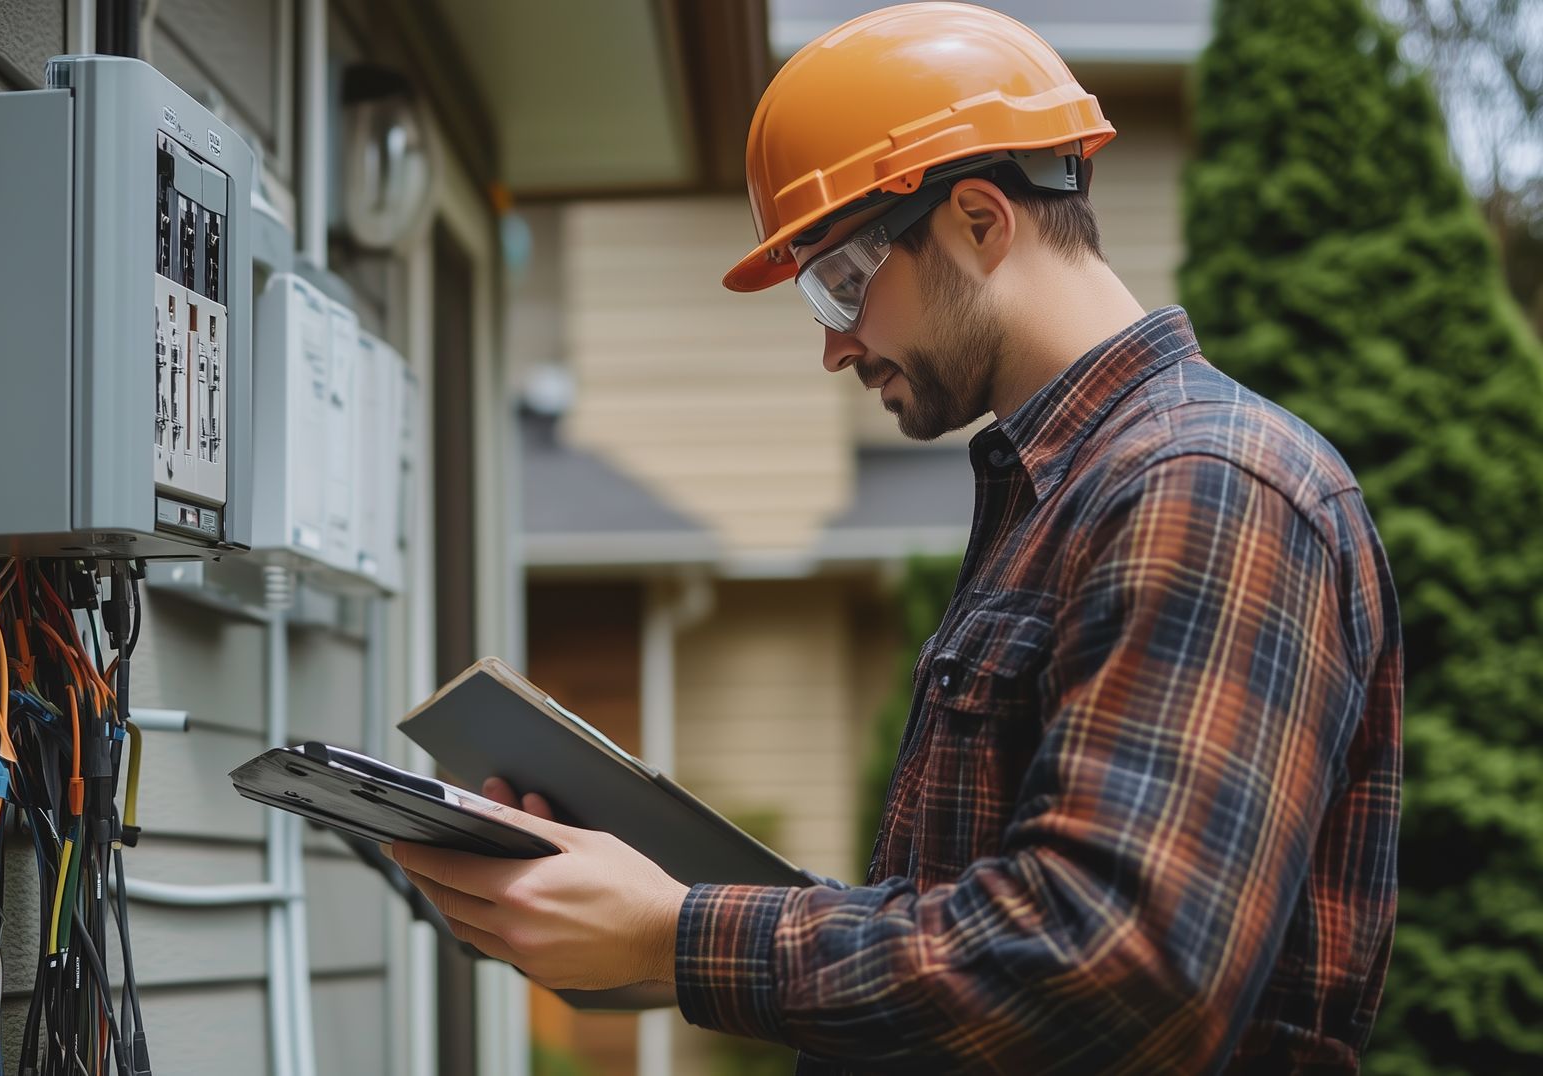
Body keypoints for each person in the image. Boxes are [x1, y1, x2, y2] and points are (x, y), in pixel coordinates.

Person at [388, 4, 1402, 1071]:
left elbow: (1115, 962)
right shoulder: (1064, 494)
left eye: (841, 280)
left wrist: (679, 932)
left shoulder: (1204, 484)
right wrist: (655, 923)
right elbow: (979, 923)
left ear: (977, 218)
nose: (834, 344)